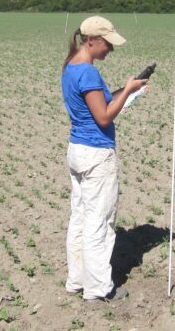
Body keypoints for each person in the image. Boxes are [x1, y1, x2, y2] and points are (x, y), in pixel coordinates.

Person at [61, 16, 148, 301]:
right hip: (97, 156)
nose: (110, 49)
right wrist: (129, 90)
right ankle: (98, 288)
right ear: (91, 40)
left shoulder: (70, 67)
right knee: (99, 223)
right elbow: (104, 115)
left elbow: (98, 102)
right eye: (107, 43)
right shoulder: (88, 72)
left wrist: (126, 92)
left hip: (77, 151)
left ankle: (77, 280)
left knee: (80, 218)